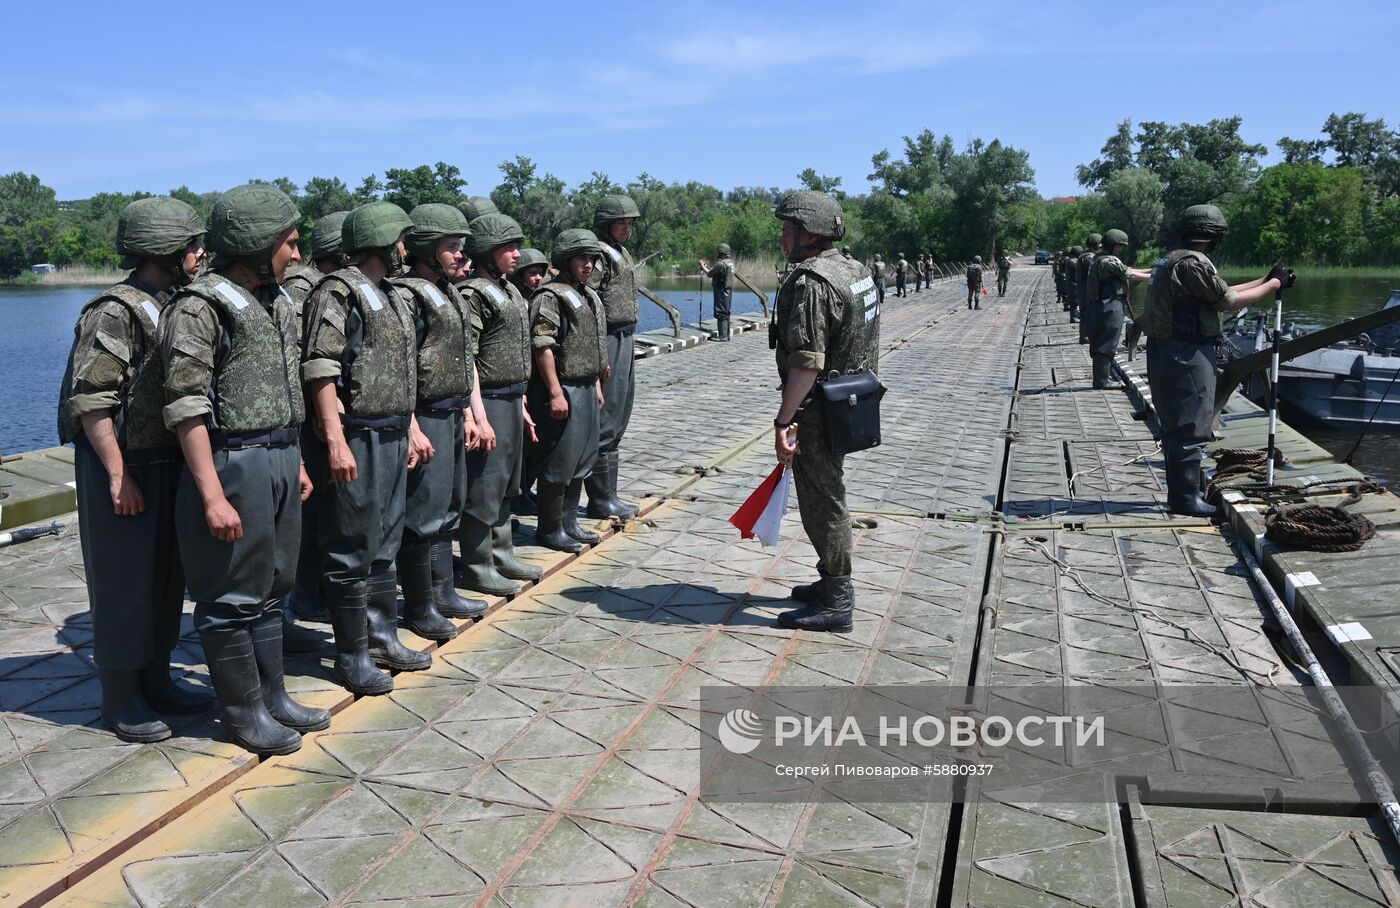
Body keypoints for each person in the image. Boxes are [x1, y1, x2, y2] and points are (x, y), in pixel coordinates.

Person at [160, 184, 330, 754]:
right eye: (289, 242)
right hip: (234, 462)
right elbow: (186, 405)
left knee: (272, 585)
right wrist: (211, 494)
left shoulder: (276, 300)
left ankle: (272, 697)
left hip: (280, 456)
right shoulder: (199, 306)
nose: (298, 253)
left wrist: (298, 459)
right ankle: (242, 713)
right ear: (256, 245)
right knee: (231, 594)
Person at [58, 197, 212, 743]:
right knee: (125, 582)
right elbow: (92, 400)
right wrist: (118, 474)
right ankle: (120, 696)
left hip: (163, 460)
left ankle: (157, 678)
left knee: (166, 579)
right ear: (163, 251)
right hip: (123, 466)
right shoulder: (115, 310)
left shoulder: (171, 301)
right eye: (191, 244)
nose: (199, 252)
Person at [302, 200, 429, 695]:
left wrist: (411, 427)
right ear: (379, 240)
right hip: (357, 434)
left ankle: (382, 636)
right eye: (399, 238)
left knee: (385, 540)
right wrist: (334, 440)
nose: (404, 247)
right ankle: (350, 654)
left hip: (393, 432)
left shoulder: (391, 294)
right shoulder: (337, 292)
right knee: (350, 544)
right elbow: (320, 370)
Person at [1140, 204, 1294, 515]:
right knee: (1190, 423)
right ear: (1211, 237)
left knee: (1177, 423)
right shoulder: (1193, 264)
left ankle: (1185, 493)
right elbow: (1228, 302)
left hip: (1166, 350)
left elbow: (1221, 291)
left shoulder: (1171, 260)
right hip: (1186, 352)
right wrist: (1275, 285)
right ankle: (1185, 499)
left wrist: (1264, 279)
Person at [770, 190, 878, 633]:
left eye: (787, 230)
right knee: (825, 493)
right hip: (852, 401)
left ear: (808, 233)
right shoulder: (854, 270)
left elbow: (806, 362)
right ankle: (828, 580)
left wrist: (782, 420)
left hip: (819, 409)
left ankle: (837, 598)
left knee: (824, 501)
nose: (781, 238)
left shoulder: (814, 282)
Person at [389, 204, 487, 643]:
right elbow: (402, 367)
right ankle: (420, 605)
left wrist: (469, 413)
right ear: (427, 251)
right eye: (450, 248)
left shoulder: (448, 292)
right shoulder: (408, 296)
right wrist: (411, 426)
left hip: (450, 411)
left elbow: (463, 360)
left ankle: (443, 592)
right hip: (424, 412)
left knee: (449, 507)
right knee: (422, 515)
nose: (458, 256)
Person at [456, 213, 542, 595]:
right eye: (508, 247)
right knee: (484, 482)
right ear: (487, 253)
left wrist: (521, 401)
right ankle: (477, 562)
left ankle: (502, 551)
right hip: (487, 398)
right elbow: (467, 356)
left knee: (507, 480)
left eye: (516, 246)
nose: (517, 254)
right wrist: (477, 414)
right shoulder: (473, 293)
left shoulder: (509, 289)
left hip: (510, 396)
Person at [281, 209, 351, 637]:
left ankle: (318, 590)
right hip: (308, 419)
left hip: (323, 415)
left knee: (329, 511)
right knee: (312, 515)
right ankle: (307, 594)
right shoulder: (303, 288)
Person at [528, 228, 609, 552]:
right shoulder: (550, 295)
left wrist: (597, 387)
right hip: (565, 387)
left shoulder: (586, 293)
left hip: (586, 386)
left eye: (591, 258)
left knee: (582, 458)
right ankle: (549, 529)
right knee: (559, 461)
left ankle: (569, 521)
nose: (587, 265)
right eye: (581, 258)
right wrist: (555, 392)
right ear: (565, 260)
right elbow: (542, 345)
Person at [586, 195, 645, 520]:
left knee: (621, 412)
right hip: (608, 337)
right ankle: (600, 498)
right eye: (622, 222)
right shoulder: (599, 254)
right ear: (607, 224)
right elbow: (590, 301)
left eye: (631, 222)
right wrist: (597, 352)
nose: (628, 228)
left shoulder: (620, 252)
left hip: (625, 335)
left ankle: (610, 494)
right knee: (607, 417)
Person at [1084, 229, 1153, 390]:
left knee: (1104, 340)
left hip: (1102, 305)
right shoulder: (1108, 262)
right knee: (1106, 342)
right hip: (1108, 305)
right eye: (1119, 246)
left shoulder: (1099, 259)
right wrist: (1155, 276)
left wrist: (1151, 270)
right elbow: (1131, 275)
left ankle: (1103, 378)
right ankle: (1102, 381)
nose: (1121, 249)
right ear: (1112, 245)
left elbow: (1129, 270)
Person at [699, 243, 735, 341]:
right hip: (728, 290)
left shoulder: (721, 264)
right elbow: (717, 271)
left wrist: (702, 266)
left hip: (721, 290)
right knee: (726, 312)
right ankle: (726, 336)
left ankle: (722, 337)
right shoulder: (730, 262)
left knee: (720, 313)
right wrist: (708, 267)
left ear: (721, 253)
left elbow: (710, 274)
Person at [1075, 235, 1101, 343]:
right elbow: (1096, 270)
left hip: (1082, 289)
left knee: (1084, 314)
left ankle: (1084, 336)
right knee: (1087, 314)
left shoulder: (1082, 256)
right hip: (1086, 290)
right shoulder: (1089, 257)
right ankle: (1085, 337)